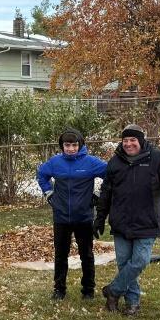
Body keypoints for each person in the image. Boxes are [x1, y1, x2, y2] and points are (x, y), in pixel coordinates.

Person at [93, 125, 160, 316]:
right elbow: (106, 193)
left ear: (141, 141)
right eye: (125, 140)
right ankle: (132, 303)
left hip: (147, 220)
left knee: (140, 261)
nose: (128, 144)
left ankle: (113, 290)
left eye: (132, 140)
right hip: (120, 221)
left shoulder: (157, 158)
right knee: (124, 263)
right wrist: (100, 218)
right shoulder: (115, 162)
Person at [36, 128, 108, 300]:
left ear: (80, 145)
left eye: (74, 145)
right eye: (67, 145)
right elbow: (41, 175)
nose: (70, 149)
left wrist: (98, 193)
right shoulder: (55, 162)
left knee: (86, 255)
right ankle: (59, 289)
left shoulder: (90, 162)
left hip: (83, 216)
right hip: (61, 217)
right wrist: (49, 193)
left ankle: (88, 290)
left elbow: (110, 174)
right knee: (61, 255)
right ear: (62, 146)